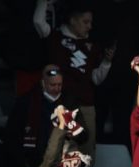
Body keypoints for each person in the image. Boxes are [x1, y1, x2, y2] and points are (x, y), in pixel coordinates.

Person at [46, 6, 113, 159]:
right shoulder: (55, 38)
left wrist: (106, 62)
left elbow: (96, 79)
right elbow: (38, 22)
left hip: (86, 104)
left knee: (87, 152)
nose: (90, 26)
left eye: (91, 22)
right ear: (72, 20)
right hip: (60, 105)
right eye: (85, 22)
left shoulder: (93, 45)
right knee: (59, 150)